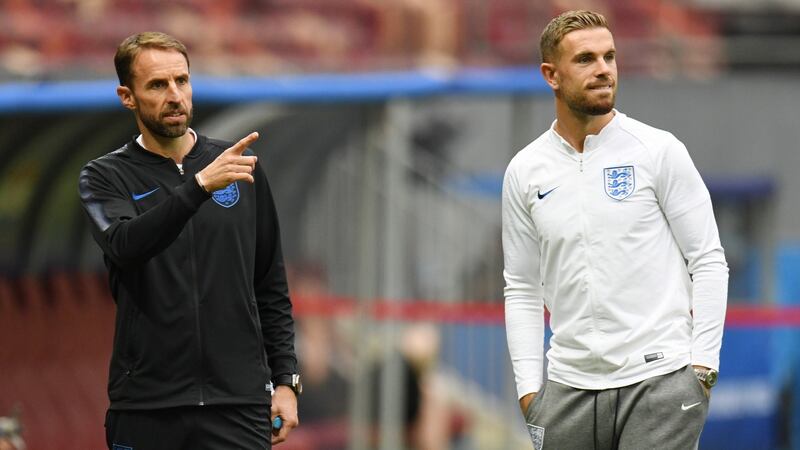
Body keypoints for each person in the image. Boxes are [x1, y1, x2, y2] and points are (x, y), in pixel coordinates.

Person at [502, 10, 728, 450]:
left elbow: (708, 259)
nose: (604, 69)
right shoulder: (525, 171)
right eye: (586, 59)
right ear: (551, 75)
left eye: (610, 56)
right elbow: (522, 287)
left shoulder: (659, 150)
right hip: (566, 391)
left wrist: (701, 369)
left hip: (660, 381)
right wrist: (530, 392)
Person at [78, 32, 301, 450]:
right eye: (158, 85)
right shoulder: (104, 177)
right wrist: (198, 187)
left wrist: (286, 381)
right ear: (127, 97)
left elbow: (270, 285)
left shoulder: (239, 168)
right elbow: (125, 245)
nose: (175, 95)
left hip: (237, 405)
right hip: (147, 406)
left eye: (182, 81)